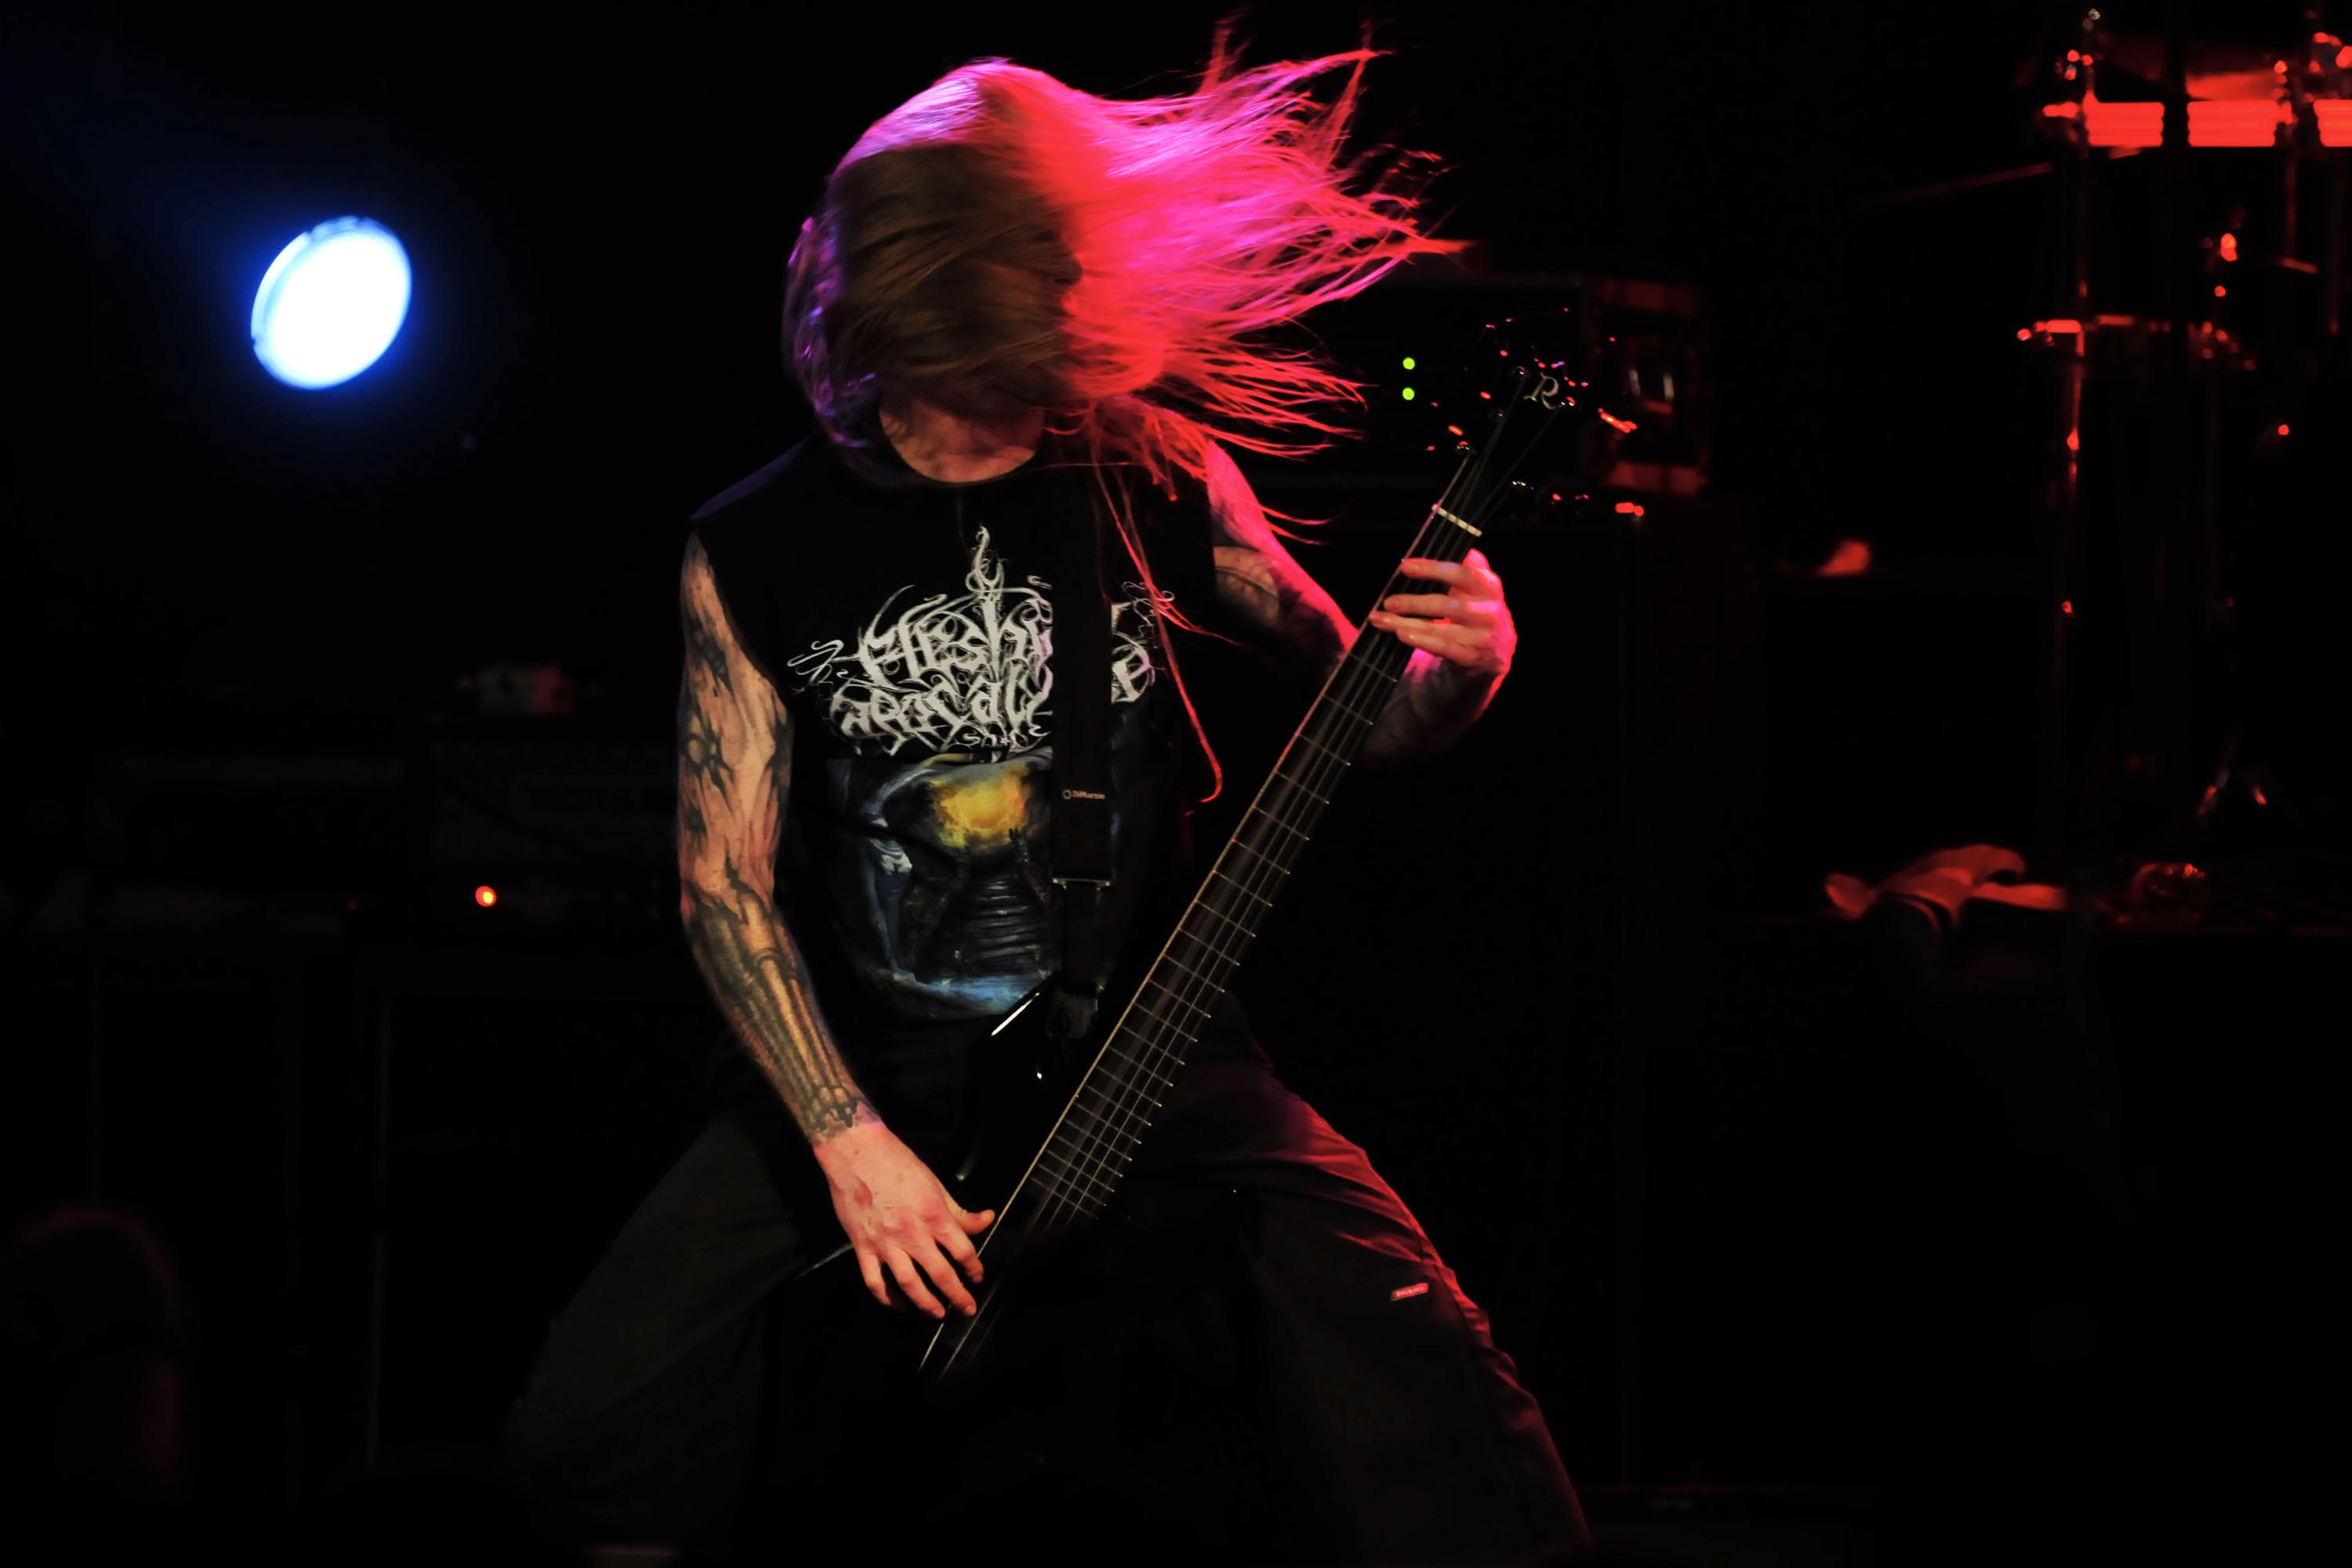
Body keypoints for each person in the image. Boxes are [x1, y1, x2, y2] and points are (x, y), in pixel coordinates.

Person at [506, 40, 1587, 1563]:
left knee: (1457, 1430)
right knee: (591, 1432)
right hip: (870, 1069)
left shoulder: (1153, 470)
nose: (1075, 312)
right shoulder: (754, 547)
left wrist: (1467, 671)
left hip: (1156, 1048)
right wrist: (850, 1146)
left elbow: (1376, 719)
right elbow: (723, 886)